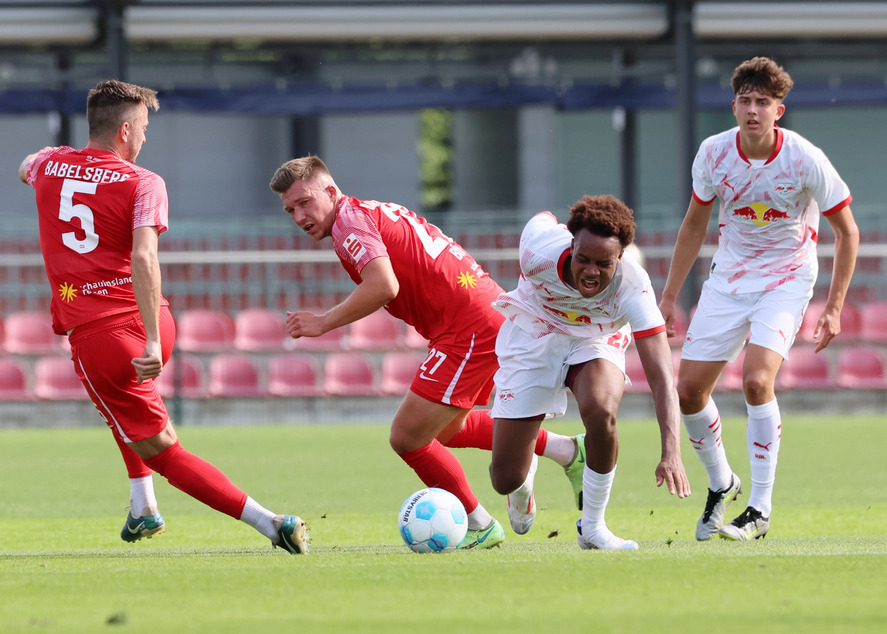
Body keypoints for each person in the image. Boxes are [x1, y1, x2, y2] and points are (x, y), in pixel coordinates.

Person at [19, 79, 310, 554]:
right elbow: (145, 257)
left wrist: (145, 344)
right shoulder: (144, 182)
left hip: (105, 338)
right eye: (146, 128)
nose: (146, 138)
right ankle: (143, 506)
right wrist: (155, 337)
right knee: (122, 413)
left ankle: (271, 523)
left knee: (164, 451)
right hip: (153, 320)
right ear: (127, 131)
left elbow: (25, 165)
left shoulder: (49, 166)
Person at [269, 156, 586, 547]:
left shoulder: (349, 223)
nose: (299, 216)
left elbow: (383, 285)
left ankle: (478, 524)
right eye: (290, 210)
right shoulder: (365, 211)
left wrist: (323, 322)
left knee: (407, 436)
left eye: (304, 202)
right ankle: (567, 450)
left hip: (468, 327)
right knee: (445, 432)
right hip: (476, 316)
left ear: (331, 191)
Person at [659, 57, 859, 542]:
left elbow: (847, 232)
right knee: (688, 393)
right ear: (734, 107)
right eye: (745, 101)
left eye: (762, 103)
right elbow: (694, 225)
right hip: (728, 279)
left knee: (755, 381)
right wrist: (668, 297)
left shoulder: (805, 159)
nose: (753, 110)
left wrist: (832, 307)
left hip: (786, 279)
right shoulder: (712, 153)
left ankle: (759, 509)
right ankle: (722, 481)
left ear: (779, 111)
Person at [488, 195, 692, 551]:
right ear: (571, 243)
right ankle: (532, 470)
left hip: (596, 337)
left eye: (603, 263)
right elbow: (542, 215)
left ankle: (593, 527)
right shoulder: (537, 251)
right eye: (583, 259)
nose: (591, 272)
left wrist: (671, 451)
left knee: (601, 410)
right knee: (505, 478)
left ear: (622, 258)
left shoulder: (634, 288)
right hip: (536, 332)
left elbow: (661, 377)